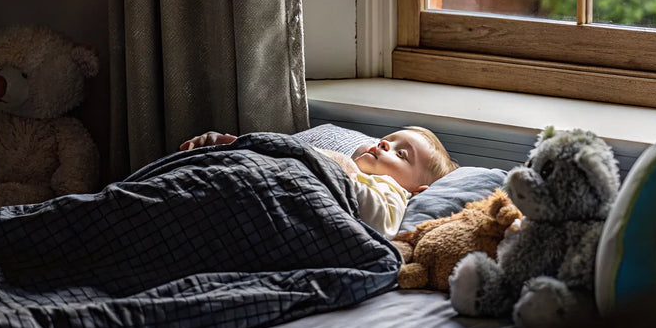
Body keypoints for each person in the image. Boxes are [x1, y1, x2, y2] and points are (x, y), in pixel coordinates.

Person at [180, 126, 458, 239]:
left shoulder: (393, 191)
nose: (384, 144)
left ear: (416, 190)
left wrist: (344, 171)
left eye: (401, 154)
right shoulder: (349, 163)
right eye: (387, 139)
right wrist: (238, 144)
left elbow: (380, 223)